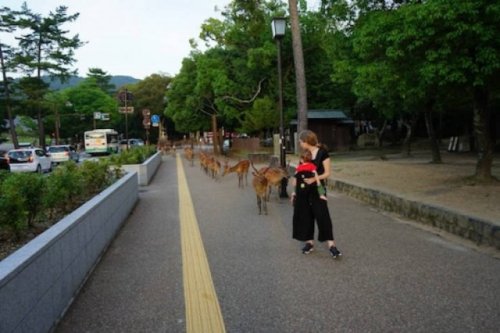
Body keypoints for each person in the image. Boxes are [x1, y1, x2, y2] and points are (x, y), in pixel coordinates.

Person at [291, 130, 342, 258]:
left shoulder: (322, 153)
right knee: (305, 216)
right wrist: (293, 193)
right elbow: (298, 175)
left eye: (301, 141)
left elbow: (327, 173)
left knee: (322, 215)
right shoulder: (305, 154)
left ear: (307, 141)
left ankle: (332, 245)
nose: (300, 144)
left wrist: (314, 179)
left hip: (317, 189)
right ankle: (309, 243)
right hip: (303, 191)